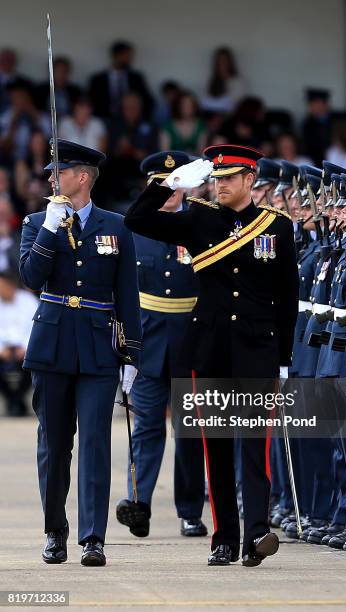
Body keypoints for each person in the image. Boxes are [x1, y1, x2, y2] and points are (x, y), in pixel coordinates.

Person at [125, 144, 299, 567]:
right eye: (215, 178)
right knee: (216, 447)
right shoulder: (199, 218)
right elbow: (137, 220)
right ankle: (224, 536)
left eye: (228, 178)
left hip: (258, 348)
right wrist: (168, 183)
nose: (219, 185)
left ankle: (257, 533)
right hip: (210, 346)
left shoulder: (276, 227)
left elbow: (287, 296)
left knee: (255, 447)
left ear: (249, 180)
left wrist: (284, 356)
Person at [19, 138, 141, 567]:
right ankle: (55, 531)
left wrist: (131, 355)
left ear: (82, 177)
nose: (51, 177)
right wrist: (51, 230)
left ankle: (93, 537)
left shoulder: (116, 225)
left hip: (97, 346)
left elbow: (127, 294)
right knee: (54, 445)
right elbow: (33, 277)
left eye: (60, 171)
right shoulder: (38, 221)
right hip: (52, 343)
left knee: (94, 443)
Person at [116, 150, 207, 539]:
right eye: (161, 183)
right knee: (147, 428)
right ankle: (138, 504)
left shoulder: (200, 221)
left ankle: (190, 510)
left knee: (188, 432)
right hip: (148, 343)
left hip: (191, 341)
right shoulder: (135, 227)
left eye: (175, 183)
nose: (170, 192)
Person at [0, 270, 37, 416]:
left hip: (24, 348)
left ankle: (17, 400)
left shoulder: (28, 301)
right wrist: (2, 349)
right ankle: (13, 400)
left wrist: (25, 347)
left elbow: (35, 328)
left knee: (33, 363)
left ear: (11, 285)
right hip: (3, 350)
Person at [89, 41, 154, 120]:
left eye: (130, 56)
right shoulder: (98, 80)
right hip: (105, 120)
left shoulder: (136, 78)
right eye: (126, 56)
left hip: (130, 122)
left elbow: (148, 101)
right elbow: (91, 102)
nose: (129, 59)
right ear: (116, 55)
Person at [201, 47, 245, 115]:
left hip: (230, 117)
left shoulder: (238, 81)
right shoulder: (210, 81)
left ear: (230, 62)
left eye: (225, 60)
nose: (222, 63)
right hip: (212, 118)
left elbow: (240, 103)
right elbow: (205, 102)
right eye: (220, 61)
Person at [302, 89, 332, 168]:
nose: (313, 107)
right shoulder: (308, 124)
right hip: (316, 163)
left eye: (317, 104)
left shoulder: (335, 121)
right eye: (312, 104)